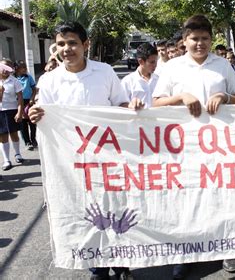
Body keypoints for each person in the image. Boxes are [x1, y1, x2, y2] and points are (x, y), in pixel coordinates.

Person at [29, 21, 142, 280]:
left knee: (117, 210)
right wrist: (35, 114)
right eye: (61, 44)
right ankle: (98, 267)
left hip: (108, 158)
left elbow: (120, 104)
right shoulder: (49, 80)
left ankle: (122, 265)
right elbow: (45, 115)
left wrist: (132, 105)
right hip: (72, 163)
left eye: (72, 43)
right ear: (55, 48)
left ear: (85, 45)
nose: (67, 49)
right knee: (87, 215)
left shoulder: (104, 72)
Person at [152, 14, 235, 278]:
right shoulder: (172, 68)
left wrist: (223, 95)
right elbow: (156, 102)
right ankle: (186, 253)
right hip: (183, 148)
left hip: (221, 146)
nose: (200, 44)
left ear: (211, 39)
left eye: (205, 38)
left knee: (223, 197)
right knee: (187, 199)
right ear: (184, 40)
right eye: (194, 39)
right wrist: (181, 97)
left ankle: (227, 249)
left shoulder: (223, 66)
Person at [0, 62, 24, 171]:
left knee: (14, 133)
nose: (5, 70)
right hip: (0, 111)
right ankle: (6, 160)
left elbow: (20, 98)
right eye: (2, 68)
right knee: (2, 136)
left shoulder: (15, 81)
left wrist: (19, 112)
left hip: (12, 110)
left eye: (7, 68)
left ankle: (18, 154)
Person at [121, 42, 159, 108]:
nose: (155, 65)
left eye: (156, 61)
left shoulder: (159, 80)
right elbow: (121, 104)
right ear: (141, 61)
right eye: (152, 62)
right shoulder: (128, 81)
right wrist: (132, 105)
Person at [14, 60, 38, 150]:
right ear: (17, 69)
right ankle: (27, 142)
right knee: (22, 124)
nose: (24, 69)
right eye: (22, 67)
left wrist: (32, 99)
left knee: (32, 121)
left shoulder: (29, 77)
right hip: (19, 102)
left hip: (29, 101)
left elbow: (34, 89)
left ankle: (33, 139)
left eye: (25, 67)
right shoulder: (14, 79)